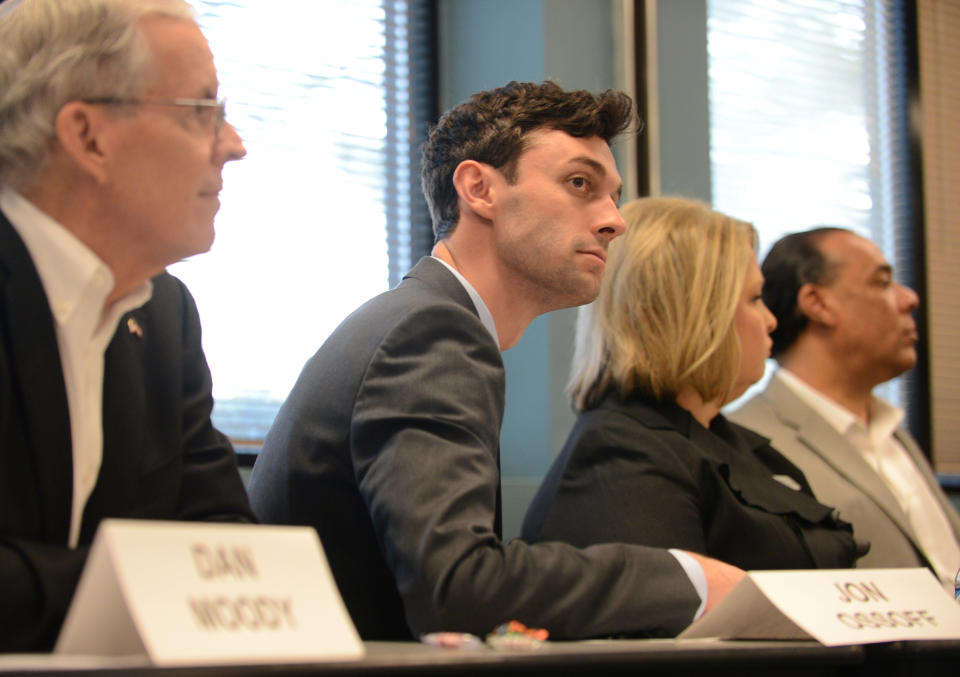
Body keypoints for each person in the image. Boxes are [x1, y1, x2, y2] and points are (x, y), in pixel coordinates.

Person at [248, 82, 744, 641]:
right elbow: (457, 588)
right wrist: (687, 579)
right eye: (579, 183)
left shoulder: (422, 319)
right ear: (478, 188)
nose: (614, 220)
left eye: (614, 195)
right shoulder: (431, 331)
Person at [0, 0, 254, 652]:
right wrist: (133, 584)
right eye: (202, 111)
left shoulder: (162, 314)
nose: (234, 146)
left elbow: (227, 551)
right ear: (89, 136)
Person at [523, 197, 864, 571]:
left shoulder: (728, 441)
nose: (770, 321)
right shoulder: (622, 458)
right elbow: (665, 618)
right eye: (753, 299)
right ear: (696, 316)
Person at [729, 227, 960, 589]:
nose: (910, 298)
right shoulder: (747, 442)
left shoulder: (892, 431)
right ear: (818, 304)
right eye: (882, 283)